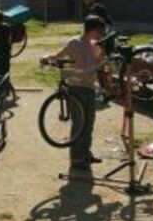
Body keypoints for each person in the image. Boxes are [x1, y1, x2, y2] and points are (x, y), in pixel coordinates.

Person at [41, 16, 106, 171]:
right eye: (101, 31)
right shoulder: (75, 42)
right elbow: (59, 55)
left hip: (90, 88)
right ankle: (76, 159)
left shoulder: (94, 44)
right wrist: (45, 57)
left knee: (89, 122)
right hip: (76, 89)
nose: (102, 34)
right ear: (94, 29)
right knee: (79, 124)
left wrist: (103, 49)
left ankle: (85, 153)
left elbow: (98, 62)